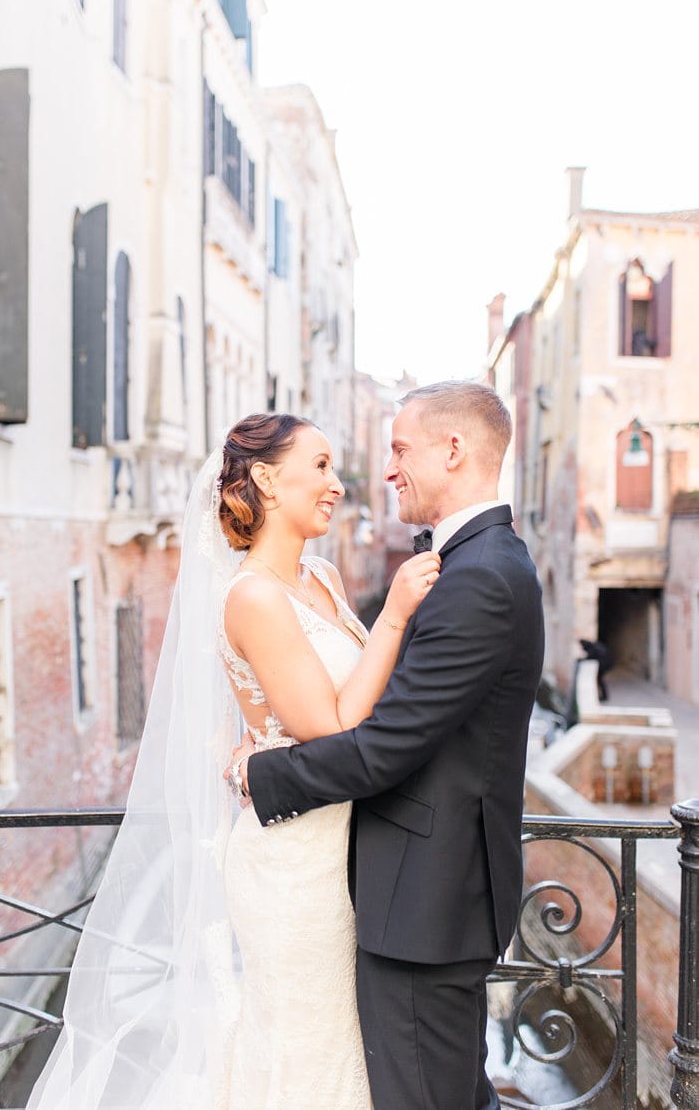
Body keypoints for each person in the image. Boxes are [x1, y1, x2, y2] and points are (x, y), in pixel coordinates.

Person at [25, 412, 441, 1109]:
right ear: (269, 481)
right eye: (322, 467)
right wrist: (396, 614)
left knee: (339, 1046)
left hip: (345, 845)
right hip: (293, 865)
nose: (338, 485)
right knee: (303, 1048)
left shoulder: (325, 579)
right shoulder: (251, 595)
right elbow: (331, 725)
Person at [235, 381, 543, 1110]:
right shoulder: (477, 565)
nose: (386, 470)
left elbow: (384, 749)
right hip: (416, 897)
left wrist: (264, 773)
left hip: (425, 908)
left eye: (400, 449)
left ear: (454, 450)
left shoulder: (479, 580)